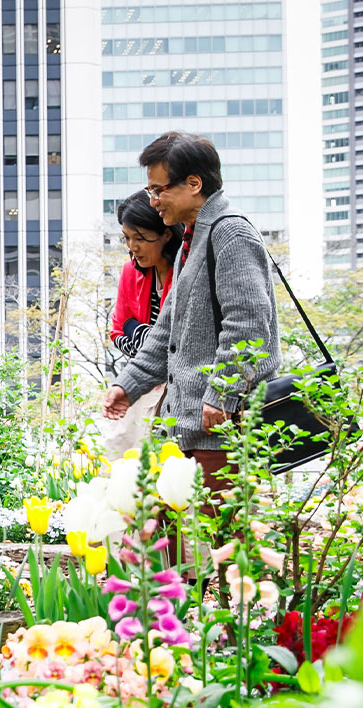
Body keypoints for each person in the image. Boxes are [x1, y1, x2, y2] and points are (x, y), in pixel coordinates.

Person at [101, 132, 279, 497]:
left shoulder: (230, 233)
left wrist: (221, 395)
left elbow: (248, 327)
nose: (153, 201)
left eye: (158, 190)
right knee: (182, 547)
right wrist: (127, 385)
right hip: (188, 430)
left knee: (222, 548)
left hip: (223, 430)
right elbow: (165, 331)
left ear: (194, 184)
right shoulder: (193, 239)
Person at [99, 191, 183, 458]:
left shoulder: (185, 271)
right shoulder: (130, 271)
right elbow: (117, 331)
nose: (132, 246)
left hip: (178, 386)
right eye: (127, 238)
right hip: (143, 381)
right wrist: (145, 336)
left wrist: (138, 330)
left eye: (141, 238)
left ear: (166, 235)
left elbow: (176, 340)